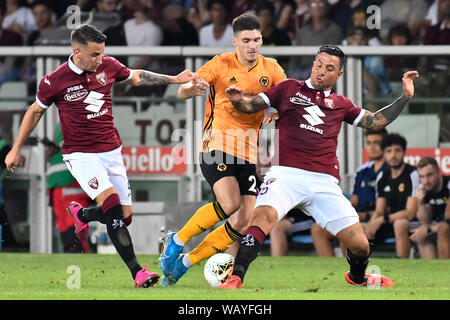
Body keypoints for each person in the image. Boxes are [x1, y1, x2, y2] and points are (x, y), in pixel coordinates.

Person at [4, 24, 196, 288]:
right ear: (77, 52)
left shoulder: (109, 65)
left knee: (124, 216)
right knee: (113, 207)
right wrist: (15, 149)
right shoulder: (54, 80)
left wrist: (174, 79)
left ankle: (82, 215)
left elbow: (137, 77)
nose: (99, 59)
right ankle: (137, 272)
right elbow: (34, 112)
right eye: (94, 54)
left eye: (101, 54)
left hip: (111, 151)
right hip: (81, 155)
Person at [219, 44, 419, 289]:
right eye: (318, 64)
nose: (321, 71)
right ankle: (236, 277)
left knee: (360, 245)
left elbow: (375, 121)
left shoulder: (342, 104)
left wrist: (405, 97)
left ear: (339, 74)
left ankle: (357, 277)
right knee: (261, 219)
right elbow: (250, 105)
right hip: (285, 174)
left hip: (324, 182)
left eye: (329, 68)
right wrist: (239, 100)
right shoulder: (288, 88)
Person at [160, 13, 286, 286]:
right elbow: (186, 89)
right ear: (235, 41)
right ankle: (177, 239)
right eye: (246, 40)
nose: (252, 46)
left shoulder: (272, 69)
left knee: (243, 220)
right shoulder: (219, 64)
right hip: (215, 144)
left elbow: (285, 99)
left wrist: (276, 110)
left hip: (248, 153)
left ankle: (184, 263)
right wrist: (191, 89)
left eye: (257, 40)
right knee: (230, 205)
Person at [311, 128, 389, 257]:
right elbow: (353, 201)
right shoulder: (362, 171)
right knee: (318, 229)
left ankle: (351, 269)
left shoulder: (391, 171)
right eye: (368, 143)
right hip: (360, 217)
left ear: (385, 145)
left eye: (376, 143)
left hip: (380, 221)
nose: (372, 147)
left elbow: (387, 209)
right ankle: (330, 269)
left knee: (350, 231)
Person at [363, 133, 420, 258]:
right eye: (389, 151)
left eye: (397, 151)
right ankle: (358, 268)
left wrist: (382, 219)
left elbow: (411, 212)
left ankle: (402, 266)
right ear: (384, 154)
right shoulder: (382, 177)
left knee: (400, 224)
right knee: (359, 228)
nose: (393, 155)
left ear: (404, 152)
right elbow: (379, 210)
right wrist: (371, 224)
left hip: (412, 221)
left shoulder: (412, 174)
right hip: (389, 220)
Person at [44, 123, 92, 253]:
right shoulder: (65, 122)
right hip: (62, 184)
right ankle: (75, 262)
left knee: (73, 230)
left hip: (67, 184)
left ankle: (80, 262)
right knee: (68, 231)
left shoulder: (69, 121)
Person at [410, 157, 450, 258]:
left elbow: (448, 218)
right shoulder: (423, 188)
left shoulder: (448, 185)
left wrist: (428, 229)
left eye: (429, 175)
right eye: (422, 177)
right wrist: (421, 202)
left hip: (445, 226)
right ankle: (432, 269)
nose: (426, 181)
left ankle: (445, 269)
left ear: (438, 172)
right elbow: (424, 220)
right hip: (440, 226)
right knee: (421, 234)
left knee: (442, 228)